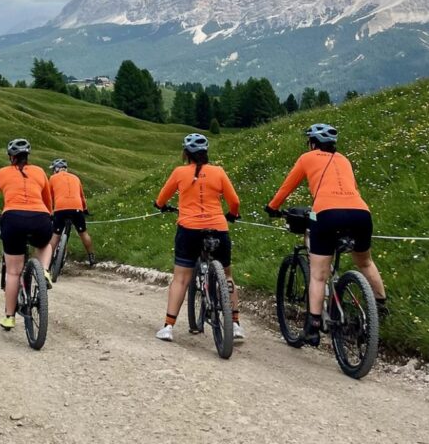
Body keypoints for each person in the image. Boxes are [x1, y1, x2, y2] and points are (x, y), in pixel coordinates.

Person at [266, 122, 388, 346]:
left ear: (313, 143)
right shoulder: (344, 160)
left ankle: (313, 327)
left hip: (327, 214)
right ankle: (379, 305)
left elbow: (287, 187)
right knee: (365, 261)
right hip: (361, 213)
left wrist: (272, 207)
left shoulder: (307, 158)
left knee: (318, 274)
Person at [153, 133, 245, 343]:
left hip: (189, 229)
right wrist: (231, 214)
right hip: (218, 227)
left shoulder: (179, 172)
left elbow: (161, 199)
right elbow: (235, 201)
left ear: (185, 154)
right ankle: (236, 323)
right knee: (228, 275)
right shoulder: (219, 172)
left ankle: (168, 327)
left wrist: (160, 206)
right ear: (206, 153)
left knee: (181, 278)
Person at [0, 138, 53, 331]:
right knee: (45, 244)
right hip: (40, 217)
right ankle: (44, 270)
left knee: (13, 272)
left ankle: (9, 317)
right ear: (28, 156)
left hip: (13, 219)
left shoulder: (2, 173)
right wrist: (48, 215)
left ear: (11, 157)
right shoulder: (40, 172)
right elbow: (48, 200)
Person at [49, 159, 96, 266]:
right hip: (76, 208)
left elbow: (49, 197)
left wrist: (50, 211)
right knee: (83, 233)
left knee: (56, 235)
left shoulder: (52, 178)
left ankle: (48, 259)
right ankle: (91, 256)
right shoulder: (76, 178)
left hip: (60, 208)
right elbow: (82, 196)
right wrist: (85, 209)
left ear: (56, 169)